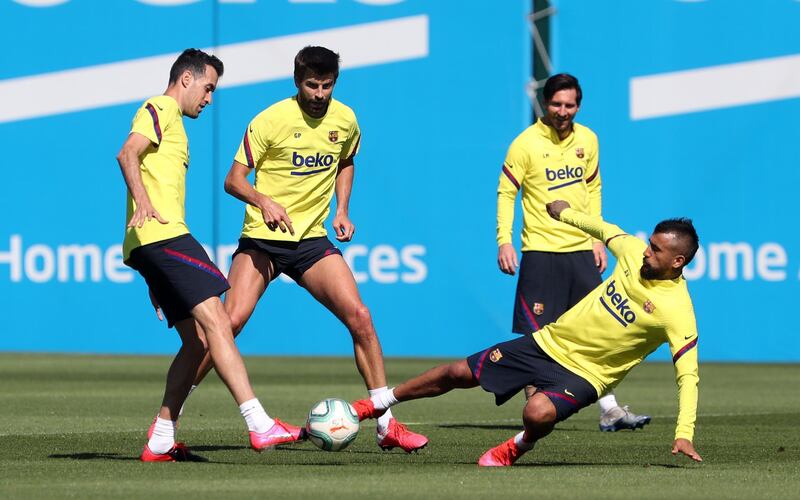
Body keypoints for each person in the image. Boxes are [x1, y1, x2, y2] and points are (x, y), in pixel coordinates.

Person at [189, 46, 427, 453]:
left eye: (327, 85)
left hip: (310, 240)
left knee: (361, 317)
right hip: (262, 241)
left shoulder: (346, 119)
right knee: (228, 324)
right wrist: (264, 201)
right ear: (297, 81)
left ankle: (386, 422)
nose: (319, 93)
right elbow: (233, 181)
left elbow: (347, 161)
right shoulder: (270, 120)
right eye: (312, 85)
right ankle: (169, 418)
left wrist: (343, 209)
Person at [352, 201, 702, 466]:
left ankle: (518, 445)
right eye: (649, 243)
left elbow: (688, 376)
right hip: (547, 342)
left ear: (678, 261)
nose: (646, 250)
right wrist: (565, 213)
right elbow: (603, 228)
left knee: (536, 413)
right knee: (459, 372)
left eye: (656, 249)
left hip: (586, 374)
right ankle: (377, 404)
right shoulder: (632, 255)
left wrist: (683, 433)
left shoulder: (677, 311)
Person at [117, 48, 302, 462]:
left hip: (154, 247)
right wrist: (144, 205)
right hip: (164, 236)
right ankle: (259, 423)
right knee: (219, 320)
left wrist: (155, 270)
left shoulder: (175, 121)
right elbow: (127, 153)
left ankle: (161, 437)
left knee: (198, 341)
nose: (209, 98)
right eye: (208, 87)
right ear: (187, 79)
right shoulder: (160, 106)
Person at [496, 73, 650, 431]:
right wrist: (504, 240)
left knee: (599, 332)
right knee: (538, 335)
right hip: (541, 251)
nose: (563, 111)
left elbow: (593, 188)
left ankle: (610, 409)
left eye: (570, 105)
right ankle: (535, 413)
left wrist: (598, 238)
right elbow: (507, 193)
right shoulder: (525, 143)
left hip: (581, 250)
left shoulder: (588, 140)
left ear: (578, 106)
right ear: (544, 104)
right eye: (556, 104)